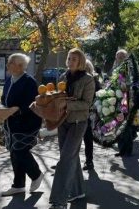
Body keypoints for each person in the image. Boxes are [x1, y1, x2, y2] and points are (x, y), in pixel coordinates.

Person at [49, 48, 95, 208]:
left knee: (65, 159)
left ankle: (58, 200)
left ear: (80, 61)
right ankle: (78, 191)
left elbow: (87, 104)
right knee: (70, 157)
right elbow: (59, 97)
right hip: (62, 122)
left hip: (78, 123)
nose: (70, 61)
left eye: (74, 59)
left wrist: (67, 104)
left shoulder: (88, 79)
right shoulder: (63, 76)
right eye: (69, 58)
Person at [0, 53, 44, 196]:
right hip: (11, 122)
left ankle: (36, 174)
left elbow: (31, 104)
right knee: (14, 152)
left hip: (27, 123)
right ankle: (18, 185)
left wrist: (17, 110)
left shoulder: (29, 82)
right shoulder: (9, 79)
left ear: (20, 66)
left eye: (10, 62)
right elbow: (3, 98)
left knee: (20, 151)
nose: (8, 64)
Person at [81, 60, 102, 171]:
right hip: (77, 112)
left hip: (89, 113)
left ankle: (89, 161)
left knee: (87, 138)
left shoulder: (93, 80)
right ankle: (66, 160)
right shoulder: (76, 78)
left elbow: (99, 95)